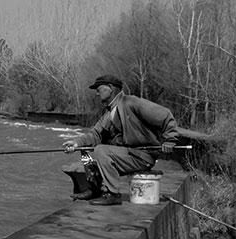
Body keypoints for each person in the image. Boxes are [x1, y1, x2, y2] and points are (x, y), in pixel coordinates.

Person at [62, 74, 179, 206]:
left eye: (99, 89)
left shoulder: (132, 102)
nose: (97, 93)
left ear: (110, 88)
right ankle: (95, 190)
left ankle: (112, 194)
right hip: (128, 154)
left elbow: (165, 114)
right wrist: (76, 143)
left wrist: (170, 140)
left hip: (142, 156)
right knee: (87, 154)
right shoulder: (110, 112)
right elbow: (95, 135)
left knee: (101, 150)